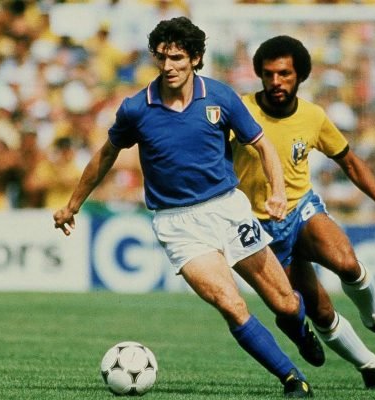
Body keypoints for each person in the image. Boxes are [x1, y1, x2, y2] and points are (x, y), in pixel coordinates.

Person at [53, 18, 316, 398]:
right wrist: (72, 205)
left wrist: (278, 191)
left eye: (176, 58)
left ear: (194, 58)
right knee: (230, 303)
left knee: (285, 304)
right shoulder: (136, 108)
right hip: (177, 224)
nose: (168, 66)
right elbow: (106, 155)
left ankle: (301, 328)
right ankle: (292, 378)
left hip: (228, 210)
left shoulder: (220, 97)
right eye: (161, 57)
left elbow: (262, 145)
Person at [231, 35, 375, 389]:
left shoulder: (313, 116)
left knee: (347, 262)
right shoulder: (240, 111)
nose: (276, 82)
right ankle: (370, 367)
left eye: (284, 74)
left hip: (299, 209)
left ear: (300, 76)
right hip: (259, 228)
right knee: (320, 311)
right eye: (268, 74)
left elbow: (350, 162)